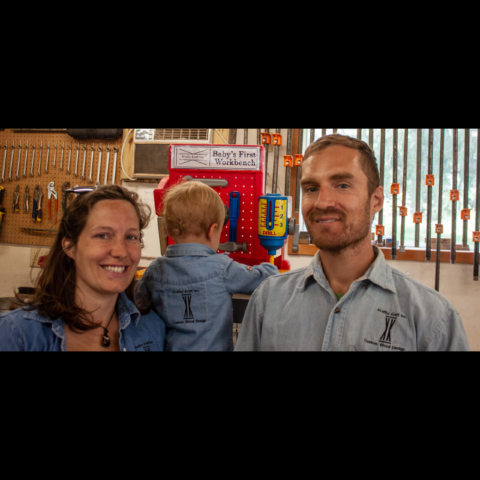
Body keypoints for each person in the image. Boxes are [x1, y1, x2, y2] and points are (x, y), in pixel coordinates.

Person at [235, 133, 470, 351]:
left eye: (343, 185)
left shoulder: (433, 318)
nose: (322, 202)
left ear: (376, 200)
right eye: (311, 188)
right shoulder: (268, 300)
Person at [0, 185, 166, 351]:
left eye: (131, 237)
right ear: (69, 246)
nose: (121, 252)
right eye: (103, 235)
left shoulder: (152, 329)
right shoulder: (15, 334)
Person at [135, 180, 279, 351]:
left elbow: (138, 307)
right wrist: (269, 266)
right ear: (212, 230)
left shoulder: (154, 271)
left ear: (167, 229)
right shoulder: (222, 268)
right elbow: (266, 279)